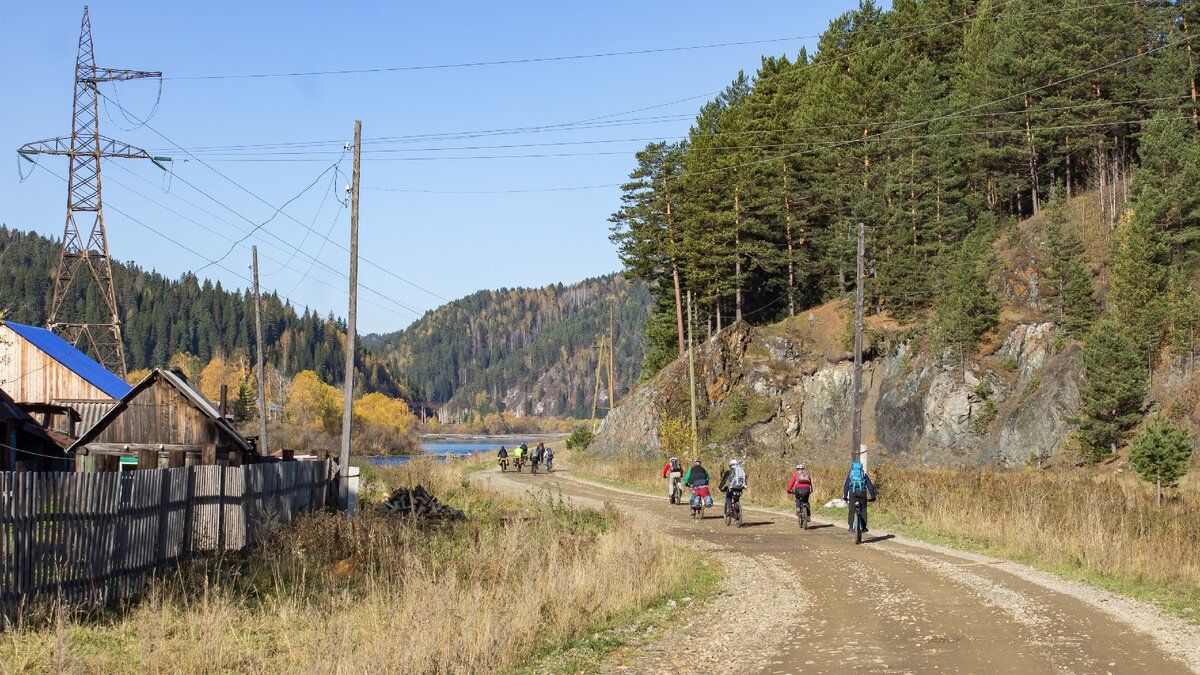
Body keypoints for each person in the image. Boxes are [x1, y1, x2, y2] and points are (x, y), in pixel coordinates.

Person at [842, 460, 877, 532]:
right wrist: (873, 497)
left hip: (852, 493)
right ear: (861, 468)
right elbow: (870, 486)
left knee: (851, 510)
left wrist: (845, 496)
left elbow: (846, 486)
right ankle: (864, 527)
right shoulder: (864, 475)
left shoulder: (850, 475)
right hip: (862, 493)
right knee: (863, 509)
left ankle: (851, 527)